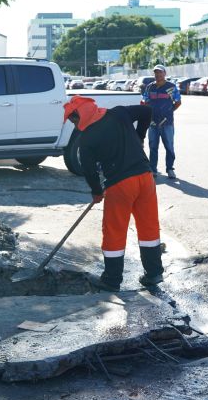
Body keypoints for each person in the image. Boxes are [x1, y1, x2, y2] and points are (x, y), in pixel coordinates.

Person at [63, 95, 165, 291]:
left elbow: (89, 170)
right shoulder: (119, 113)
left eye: (73, 119)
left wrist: (96, 192)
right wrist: (139, 136)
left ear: (81, 113)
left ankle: (111, 280)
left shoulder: (87, 139)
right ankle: (154, 273)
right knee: (149, 227)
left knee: (114, 231)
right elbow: (147, 111)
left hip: (120, 185)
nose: (73, 124)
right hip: (145, 178)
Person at [142, 64, 182, 179]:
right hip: (152, 123)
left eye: (160, 72)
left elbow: (178, 102)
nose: (158, 75)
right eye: (156, 72)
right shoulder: (150, 87)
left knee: (169, 146)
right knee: (153, 147)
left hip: (167, 123)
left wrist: (169, 112)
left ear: (164, 73)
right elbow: (145, 101)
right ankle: (153, 169)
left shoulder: (171, 87)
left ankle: (170, 169)